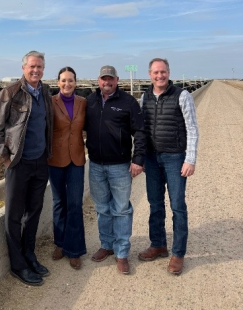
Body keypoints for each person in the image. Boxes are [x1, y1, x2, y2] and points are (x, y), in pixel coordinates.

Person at [0, 50, 53, 286]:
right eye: (32, 66)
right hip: (18, 163)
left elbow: (48, 124)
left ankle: (29, 255)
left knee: (34, 212)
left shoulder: (45, 92)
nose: (36, 70)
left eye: (40, 67)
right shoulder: (10, 93)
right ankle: (18, 266)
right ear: (23, 68)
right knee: (14, 215)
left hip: (40, 161)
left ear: (43, 69)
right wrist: (6, 157)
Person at [138, 58, 199, 275]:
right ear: (149, 74)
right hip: (152, 159)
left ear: (168, 72)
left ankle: (178, 253)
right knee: (155, 204)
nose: (159, 76)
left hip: (175, 158)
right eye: (155, 72)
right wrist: (140, 157)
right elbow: (141, 130)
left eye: (163, 72)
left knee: (177, 206)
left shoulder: (182, 95)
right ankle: (158, 244)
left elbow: (192, 128)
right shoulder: (144, 97)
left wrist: (190, 159)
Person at [85, 65, 146, 275]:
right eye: (104, 79)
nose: (107, 82)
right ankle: (107, 244)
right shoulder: (90, 101)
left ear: (117, 80)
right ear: (98, 80)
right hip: (95, 165)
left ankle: (121, 253)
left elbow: (140, 131)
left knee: (121, 209)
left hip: (120, 165)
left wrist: (138, 159)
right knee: (102, 207)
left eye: (110, 79)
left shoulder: (128, 102)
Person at [48, 67, 87, 270]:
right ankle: (60, 244)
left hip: (77, 160)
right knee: (59, 203)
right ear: (58, 83)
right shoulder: (50, 102)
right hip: (55, 160)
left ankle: (75, 249)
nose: (67, 84)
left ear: (75, 82)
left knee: (75, 204)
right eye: (63, 80)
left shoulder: (83, 102)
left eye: (70, 80)